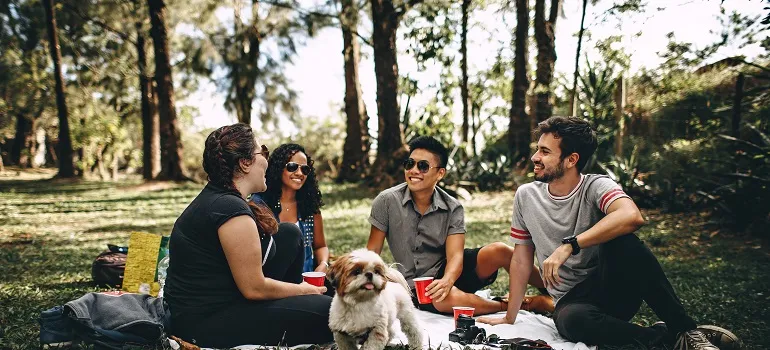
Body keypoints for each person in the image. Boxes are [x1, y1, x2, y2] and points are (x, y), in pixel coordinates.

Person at [477, 116, 737, 350]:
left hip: (613, 288)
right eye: (538, 149)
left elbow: (632, 216)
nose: (535, 157)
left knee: (624, 242)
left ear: (571, 160)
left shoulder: (596, 185)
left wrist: (570, 245)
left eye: (545, 151)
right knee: (570, 321)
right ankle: (668, 338)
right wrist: (510, 317)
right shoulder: (526, 196)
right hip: (572, 302)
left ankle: (685, 329)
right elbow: (521, 260)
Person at [164, 123, 333, 348]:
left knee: (289, 234)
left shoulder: (222, 198)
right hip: (206, 322)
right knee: (332, 312)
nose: (267, 161)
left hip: (225, 299)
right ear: (245, 163)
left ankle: (296, 304)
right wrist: (304, 290)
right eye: (263, 152)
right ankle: (300, 305)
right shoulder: (229, 210)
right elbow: (254, 288)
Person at [366, 135, 553, 316]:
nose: (414, 170)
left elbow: (455, 256)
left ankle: (555, 291)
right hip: (416, 285)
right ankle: (523, 304)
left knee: (500, 251)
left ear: (440, 173)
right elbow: (372, 253)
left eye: (422, 166)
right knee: (443, 299)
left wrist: (447, 280)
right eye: (410, 164)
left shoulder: (452, 207)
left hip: (451, 270)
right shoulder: (386, 201)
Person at [258, 143, 329, 274]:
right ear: (278, 168)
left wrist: (323, 264)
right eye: (292, 167)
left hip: (307, 279)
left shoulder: (310, 206)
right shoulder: (260, 205)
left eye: (305, 169)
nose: (300, 173)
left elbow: (320, 246)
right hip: (272, 280)